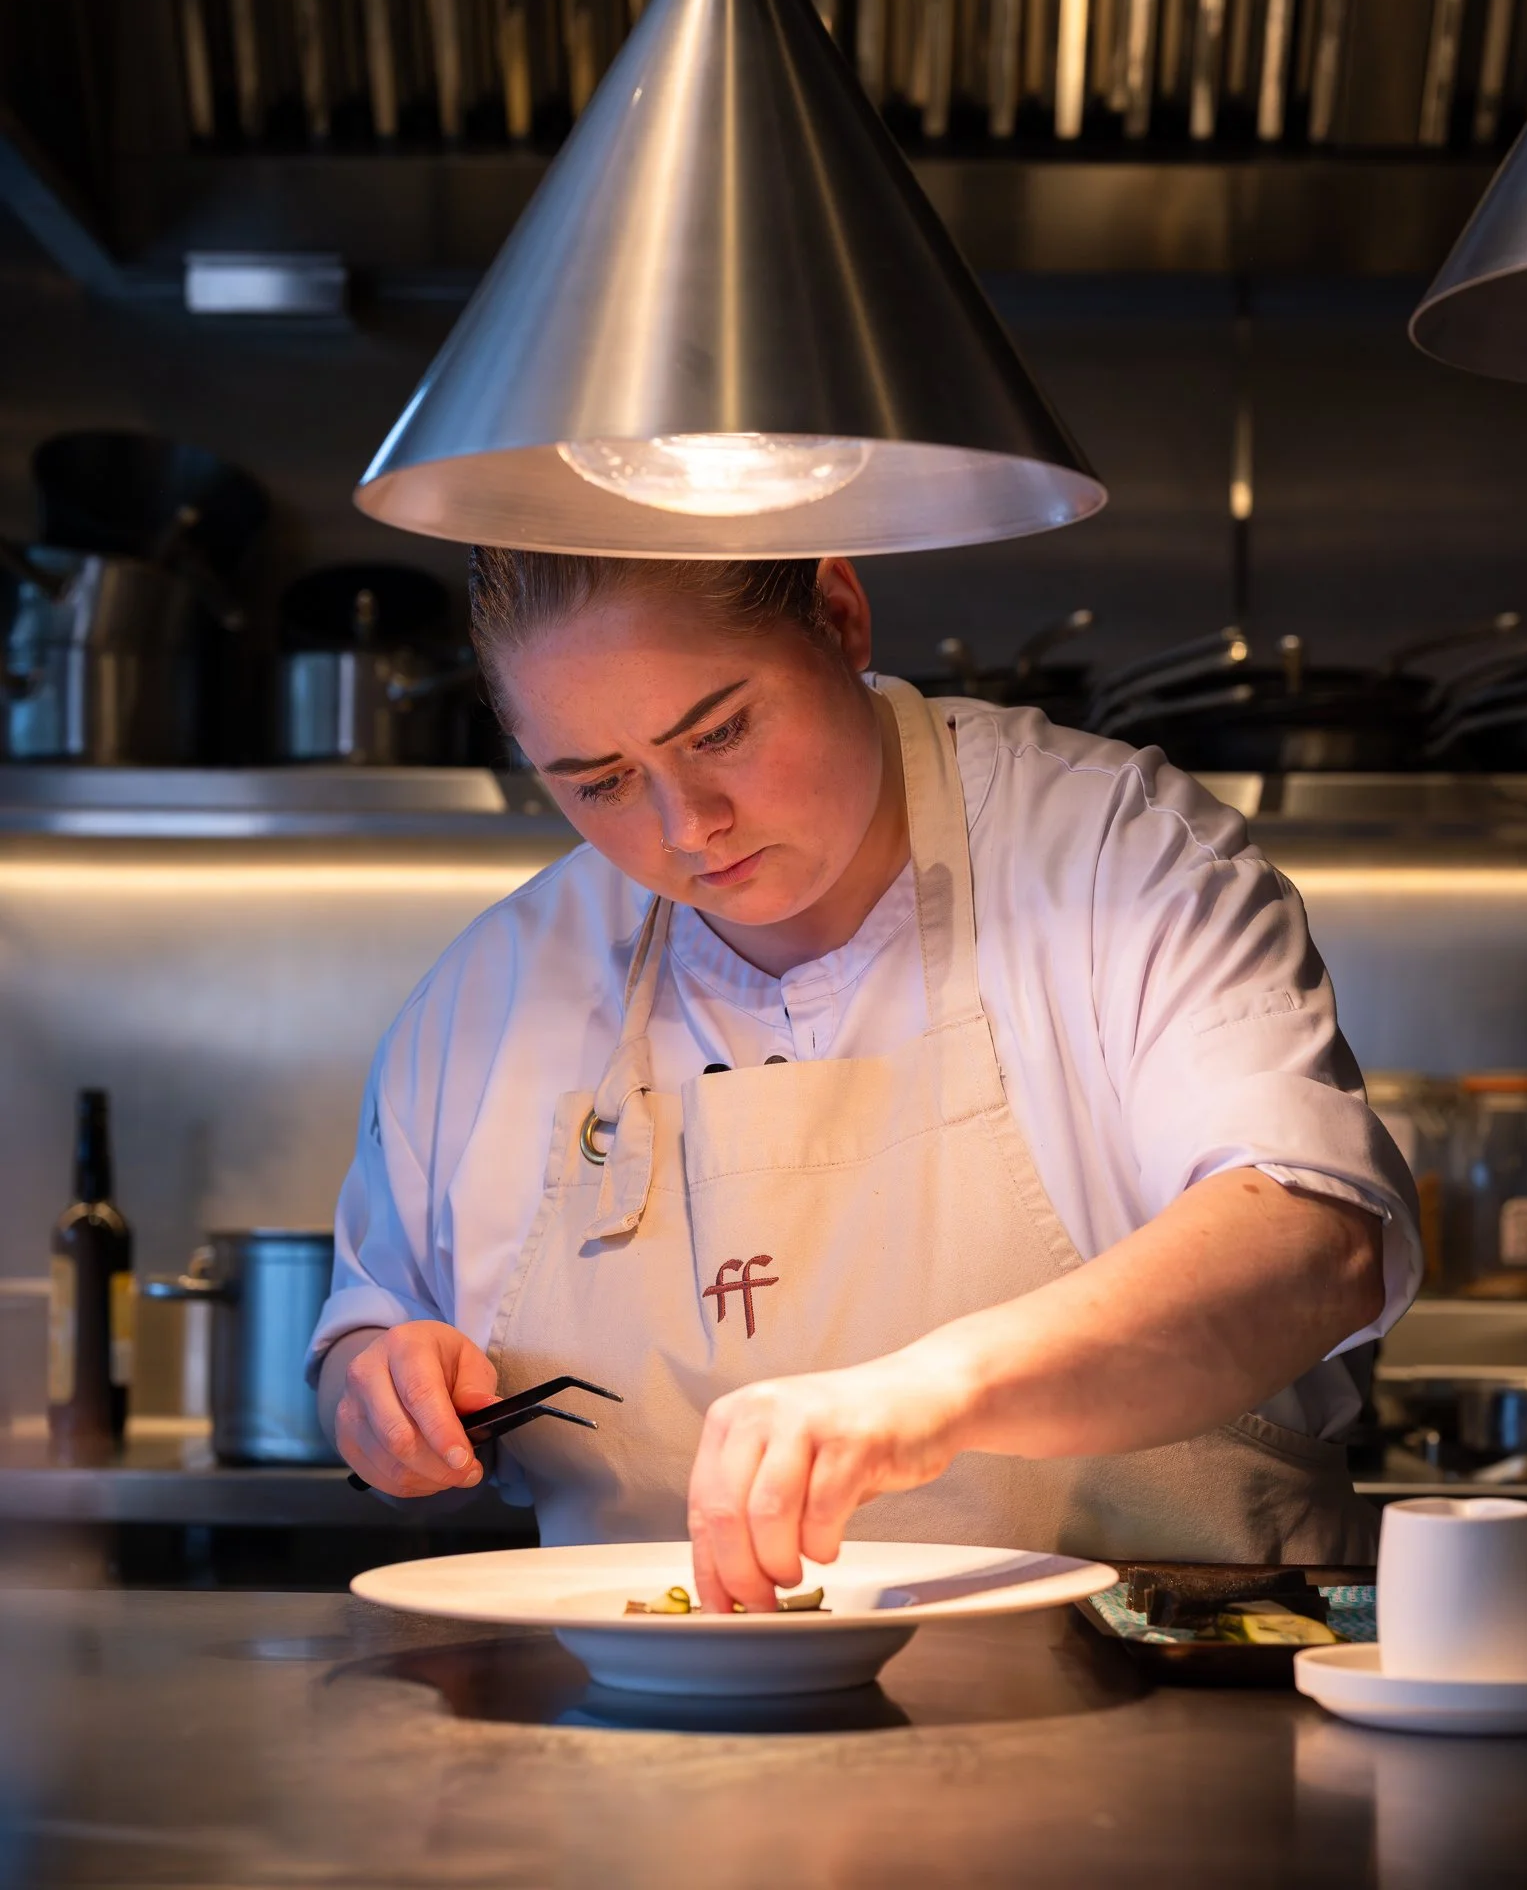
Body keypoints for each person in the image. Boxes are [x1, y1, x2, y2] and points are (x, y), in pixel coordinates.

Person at [310, 553, 1419, 1611]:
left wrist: (934, 1393)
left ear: (840, 618)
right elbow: (370, 1324)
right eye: (599, 782)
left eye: (723, 730)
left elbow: (1314, 1245)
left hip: (1156, 1728)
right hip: (645, 1758)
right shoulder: (495, 986)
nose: (686, 825)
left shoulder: (1110, 858)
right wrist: (382, 1389)